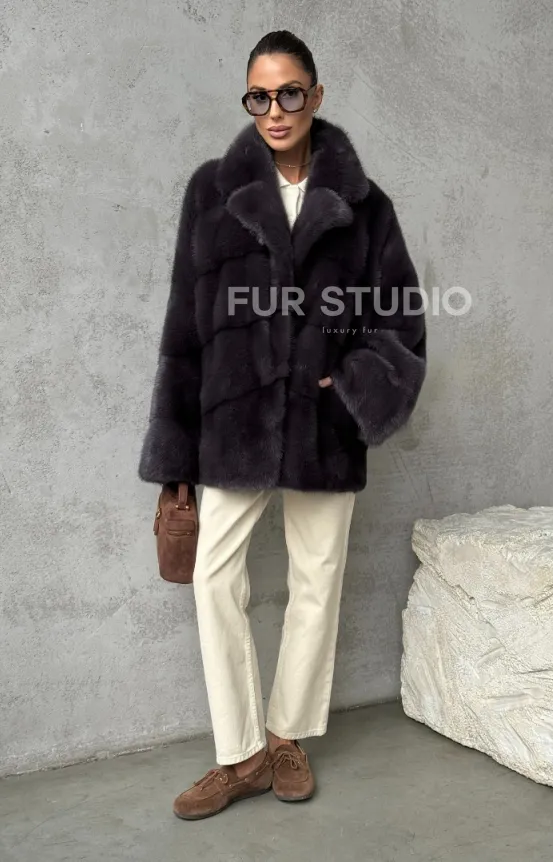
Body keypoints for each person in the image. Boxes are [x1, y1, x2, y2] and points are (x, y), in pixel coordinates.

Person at [138, 29, 426, 820]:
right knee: (213, 576)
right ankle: (241, 756)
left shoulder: (366, 206)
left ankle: (287, 735)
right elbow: (183, 326)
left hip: (324, 428)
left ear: (316, 95)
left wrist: (348, 384)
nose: (275, 110)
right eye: (259, 96)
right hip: (232, 422)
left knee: (317, 580)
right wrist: (176, 453)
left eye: (290, 92)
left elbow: (401, 323)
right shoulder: (212, 191)